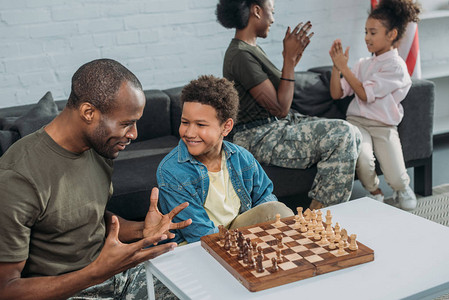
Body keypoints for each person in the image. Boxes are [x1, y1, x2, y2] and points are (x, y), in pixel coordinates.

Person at [0, 59, 192, 299]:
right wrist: (96, 273)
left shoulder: (98, 149)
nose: (134, 134)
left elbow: (90, 218)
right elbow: (6, 290)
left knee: (196, 287)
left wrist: (143, 229)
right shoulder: (17, 178)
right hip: (65, 291)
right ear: (88, 113)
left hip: (111, 276)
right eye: (126, 123)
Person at [216, 0, 362, 209]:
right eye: (271, 12)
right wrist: (288, 59)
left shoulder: (251, 50)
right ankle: (318, 222)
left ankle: (316, 214)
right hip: (257, 135)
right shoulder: (240, 55)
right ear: (257, 11)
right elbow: (280, 108)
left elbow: (280, 95)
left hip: (276, 126)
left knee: (353, 134)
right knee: (343, 134)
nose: (273, 19)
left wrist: (291, 60)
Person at [157, 75, 294, 244]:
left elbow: (265, 198)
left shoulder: (241, 157)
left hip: (236, 233)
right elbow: (199, 233)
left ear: (226, 127)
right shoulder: (172, 171)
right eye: (185, 122)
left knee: (278, 211)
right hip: (199, 244)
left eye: (200, 125)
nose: (189, 133)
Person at [328, 0, 420, 210]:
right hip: (357, 122)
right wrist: (336, 68)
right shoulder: (362, 64)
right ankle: (375, 192)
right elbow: (337, 93)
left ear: (392, 34)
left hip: (383, 126)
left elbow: (364, 94)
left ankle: (402, 189)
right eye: (366, 32)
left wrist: (345, 67)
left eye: (372, 32)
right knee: (363, 158)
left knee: (397, 177)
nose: (366, 37)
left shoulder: (396, 67)